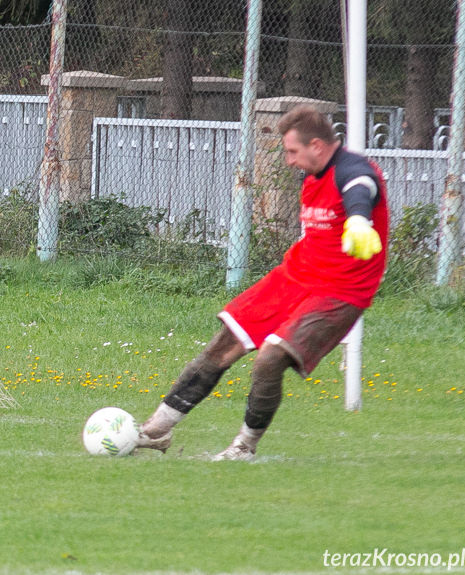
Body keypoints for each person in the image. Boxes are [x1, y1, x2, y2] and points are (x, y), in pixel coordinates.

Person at [136, 104, 389, 461]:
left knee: (270, 360)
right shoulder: (312, 173)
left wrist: (360, 221)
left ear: (317, 145)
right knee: (223, 344)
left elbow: (361, 187)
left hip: (340, 291)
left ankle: (244, 447)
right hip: (295, 276)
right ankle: (154, 431)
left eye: (292, 151)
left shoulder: (354, 170)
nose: (288, 161)